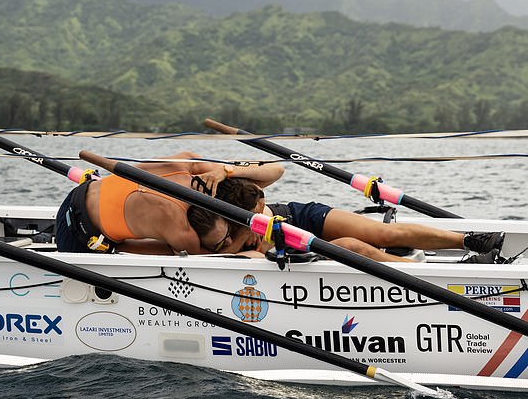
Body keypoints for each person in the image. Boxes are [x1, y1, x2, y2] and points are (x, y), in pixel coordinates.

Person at [188, 178, 505, 263]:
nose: (261, 210)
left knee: (381, 234)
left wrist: (226, 171)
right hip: (299, 250)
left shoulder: (238, 194)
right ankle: (422, 273)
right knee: (355, 246)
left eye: (262, 206)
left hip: (303, 216)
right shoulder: (226, 233)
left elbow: (275, 171)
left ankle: (471, 240)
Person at [55, 153, 284, 255]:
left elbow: (277, 170)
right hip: (78, 239)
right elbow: (217, 259)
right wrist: (246, 230)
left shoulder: (188, 165)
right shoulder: (180, 228)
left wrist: (227, 170)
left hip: (78, 193)